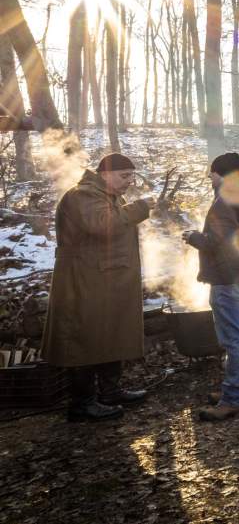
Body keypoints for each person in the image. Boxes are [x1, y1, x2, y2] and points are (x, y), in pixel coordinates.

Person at [42, 153, 154, 421]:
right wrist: (140, 208)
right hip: (82, 280)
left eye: (131, 176)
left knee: (110, 333)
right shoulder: (82, 195)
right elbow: (104, 226)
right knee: (85, 338)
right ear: (105, 174)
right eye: (124, 176)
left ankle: (110, 392)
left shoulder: (110, 196)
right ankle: (82, 403)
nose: (130, 181)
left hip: (105, 279)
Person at [182, 152, 239, 421]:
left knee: (234, 339)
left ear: (221, 174)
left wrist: (195, 238)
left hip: (229, 279)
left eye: (212, 173)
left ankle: (234, 398)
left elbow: (224, 243)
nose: (209, 177)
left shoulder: (224, 201)